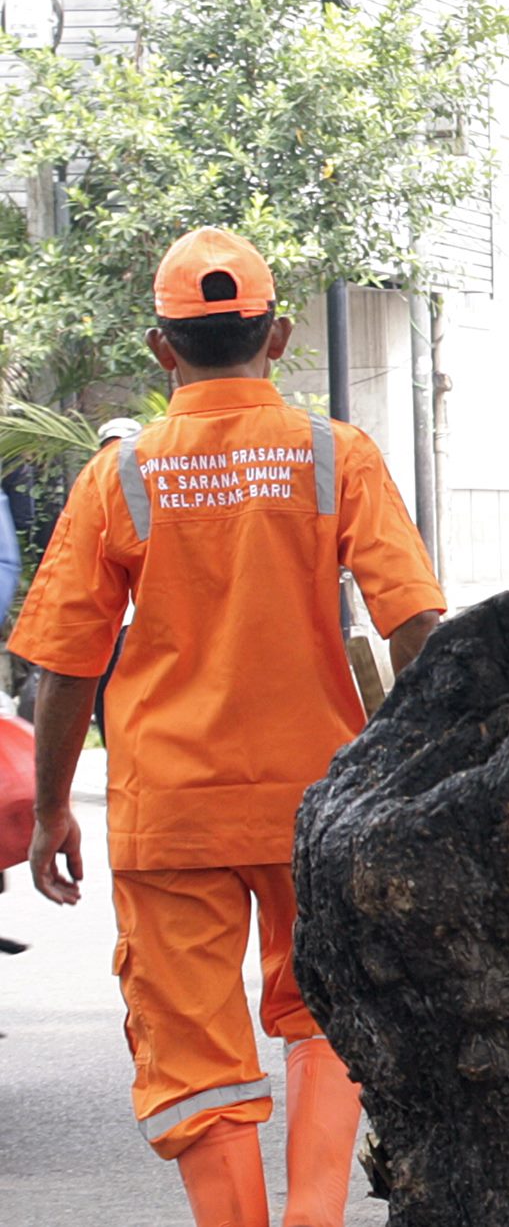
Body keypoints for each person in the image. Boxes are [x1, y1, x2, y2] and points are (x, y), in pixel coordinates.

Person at [12, 228, 446, 1227]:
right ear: (278, 335)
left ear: (162, 349)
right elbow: (417, 623)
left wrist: (49, 813)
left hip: (169, 813)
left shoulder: (120, 475)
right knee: (324, 1008)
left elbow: (66, 663)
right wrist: (424, 768)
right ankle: (313, 1216)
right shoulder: (334, 455)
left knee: (194, 1058)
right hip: (314, 805)